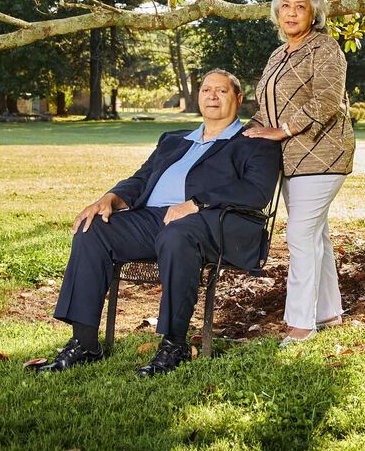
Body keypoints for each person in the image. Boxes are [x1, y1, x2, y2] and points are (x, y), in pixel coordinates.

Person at [36, 69, 281, 377]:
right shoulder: (174, 141)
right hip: (154, 220)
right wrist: (110, 198)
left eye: (221, 91)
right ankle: (84, 343)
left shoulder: (254, 141)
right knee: (93, 228)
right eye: (206, 90)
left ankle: (174, 344)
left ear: (238, 99)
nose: (212, 96)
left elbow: (256, 192)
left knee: (176, 235)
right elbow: (141, 179)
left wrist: (195, 203)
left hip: (213, 222)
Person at [244, 0, 354, 345]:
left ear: (314, 13)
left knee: (300, 236)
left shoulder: (325, 48)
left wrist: (283, 129)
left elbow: (327, 100)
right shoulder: (278, 54)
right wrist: (246, 132)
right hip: (291, 159)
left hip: (322, 155)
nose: (291, 13)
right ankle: (327, 313)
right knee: (315, 234)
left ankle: (300, 325)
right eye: (285, 6)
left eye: (300, 7)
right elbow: (266, 109)